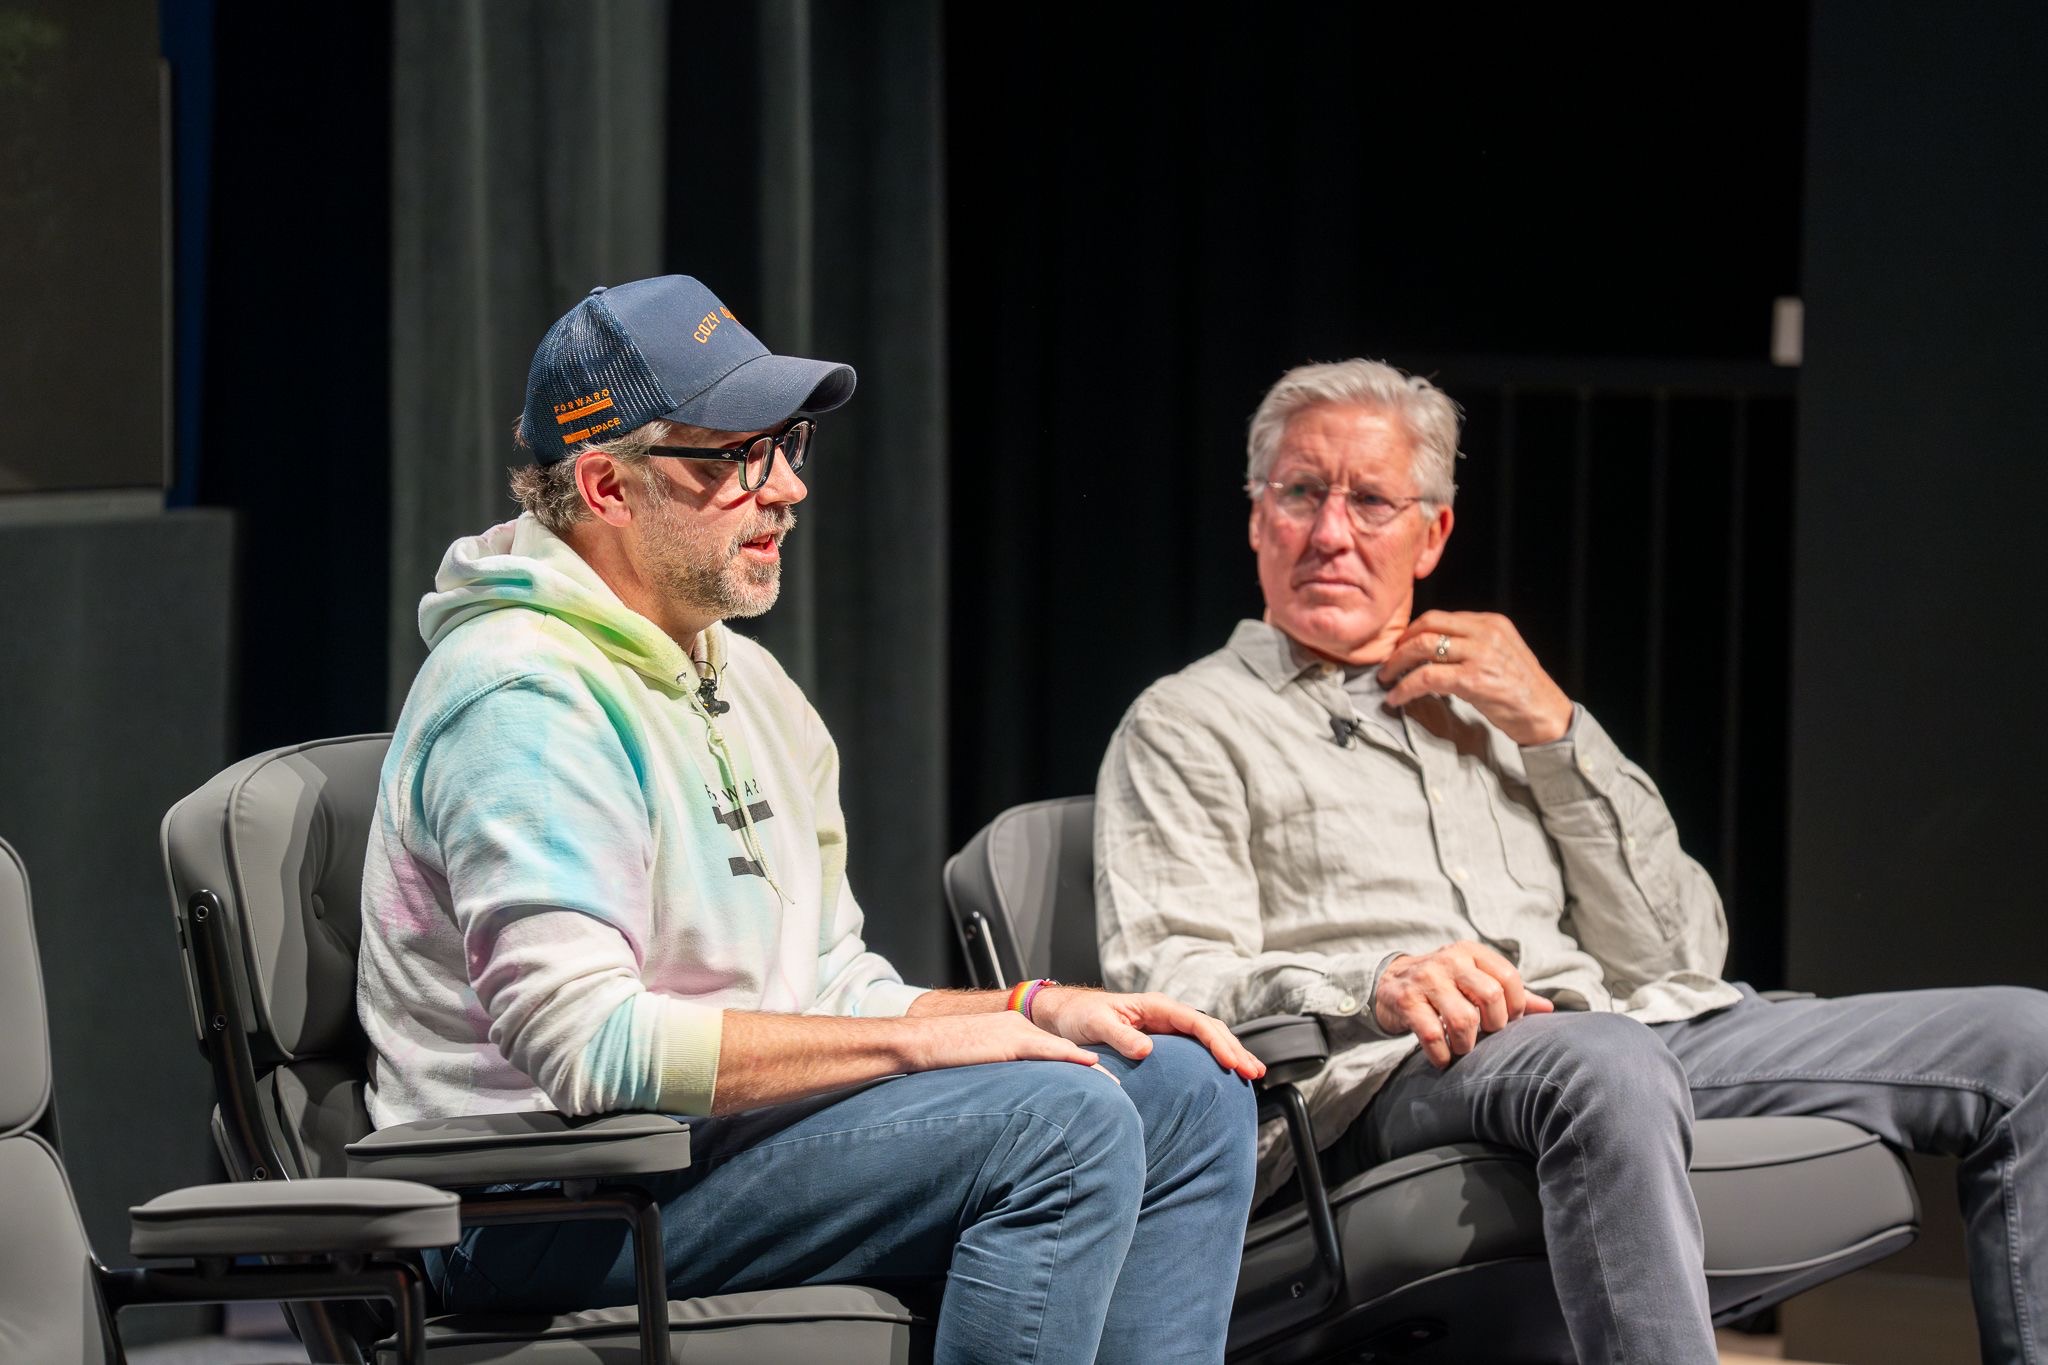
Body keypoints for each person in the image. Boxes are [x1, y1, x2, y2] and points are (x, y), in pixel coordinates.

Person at [357, 275, 1264, 1365]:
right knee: (1054, 1128)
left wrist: (1031, 1005)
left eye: (785, 446)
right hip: (533, 1197)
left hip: (712, 1149)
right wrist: (917, 1045)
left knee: (1183, 1092)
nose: (782, 487)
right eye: (730, 458)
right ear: (604, 484)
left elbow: (827, 987)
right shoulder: (523, 693)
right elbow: (588, 1049)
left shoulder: (750, 684)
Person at [1094, 357, 2048, 1364]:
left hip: (1616, 1033)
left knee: (2022, 1044)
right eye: (1298, 494)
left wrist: (1554, 729)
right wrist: (1378, 983)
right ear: (1255, 517)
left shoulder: (1496, 700)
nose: (1329, 533)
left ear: (1433, 533)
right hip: (1391, 1072)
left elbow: (1676, 953)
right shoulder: (1186, 723)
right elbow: (1169, 983)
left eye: (1370, 501)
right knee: (1604, 1060)